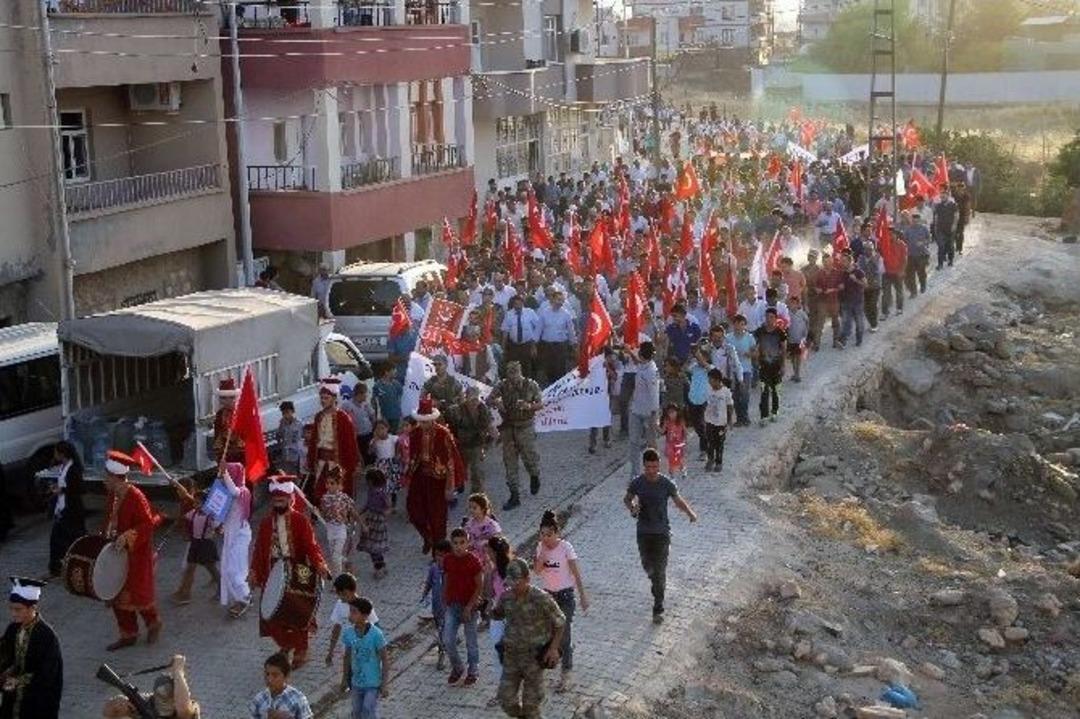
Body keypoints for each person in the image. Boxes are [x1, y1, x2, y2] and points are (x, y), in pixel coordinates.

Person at [249, 477, 331, 669]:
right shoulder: (266, 523)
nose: (278, 503)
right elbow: (259, 549)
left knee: (298, 612)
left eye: (282, 500)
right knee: (276, 614)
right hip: (273, 572)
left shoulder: (300, 520)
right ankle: (286, 644)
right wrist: (254, 571)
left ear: (289, 500)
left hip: (298, 570)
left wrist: (319, 563)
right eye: (275, 500)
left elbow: (312, 545)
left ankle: (301, 648)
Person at [624, 448, 698, 623]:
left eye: (655, 467)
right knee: (648, 567)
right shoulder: (638, 483)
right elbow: (627, 499)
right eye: (648, 467)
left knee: (660, 570)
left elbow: (677, 500)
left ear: (659, 466)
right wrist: (632, 508)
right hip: (643, 532)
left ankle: (658, 607)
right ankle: (656, 585)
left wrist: (690, 513)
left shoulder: (666, 484)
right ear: (643, 466)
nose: (652, 471)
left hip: (662, 533)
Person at [101, 450, 162, 652]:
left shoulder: (136, 497)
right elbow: (109, 520)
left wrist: (126, 537)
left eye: (106, 477)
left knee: (138, 595)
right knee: (116, 593)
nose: (104, 480)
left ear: (114, 477)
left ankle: (153, 624)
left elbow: (147, 525)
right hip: (117, 554)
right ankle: (128, 634)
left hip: (136, 555)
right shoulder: (113, 496)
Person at [492, 558, 565, 719]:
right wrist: (486, 607)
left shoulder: (541, 598)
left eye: (517, 583)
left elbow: (560, 622)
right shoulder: (506, 597)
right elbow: (498, 613)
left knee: (531, 706)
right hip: (511, 657)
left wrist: (553, 649)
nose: (513, 587)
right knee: (506, 700)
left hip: (533, 659)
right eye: (510, 583)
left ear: (527, 579)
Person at [534, 510, 588, 692]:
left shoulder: (566, 547)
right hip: (548, 596)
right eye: (542, 534)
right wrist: (542, 553)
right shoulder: (540, 547)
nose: (546, 538)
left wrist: (583, 595)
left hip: (565, 596)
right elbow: (537, 571)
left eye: (549, 535)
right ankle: (551, 660)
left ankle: (566, 675)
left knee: (563, 635)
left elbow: (576, 573)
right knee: (547, 634)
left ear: (557, 533)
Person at [405, 398, 466, 553]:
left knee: (437, 516)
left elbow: (450, 462)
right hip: (421, 475)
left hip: (438, 479)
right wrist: (408, 474)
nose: (423, 425)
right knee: (414, 511)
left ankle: (438, 550)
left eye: (426, 422)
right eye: (421, 422)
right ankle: (428, 537)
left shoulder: (443, 434)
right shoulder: (416, 433)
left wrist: (449, 487)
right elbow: (412, 455)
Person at [1, 577, 62, 719]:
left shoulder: (46, 636)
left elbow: (48, 674)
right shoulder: (13, 628)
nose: (14, 614)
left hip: (36, 702)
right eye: (11, 609)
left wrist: (18, 681)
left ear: (33, 608)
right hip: (12, 698)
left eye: (18, 609)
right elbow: (4, 654)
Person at [487, 361, 543, 511]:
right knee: (509, 462)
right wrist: (497, 403)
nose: (513, 376)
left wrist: (529, 406)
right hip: (509, 428)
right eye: (510, 373)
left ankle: (534, 476)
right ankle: (514, 495)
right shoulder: (502, 385)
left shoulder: (531, 385)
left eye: (515, 373)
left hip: (525, 427)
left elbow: (540, 403)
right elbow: (488, 399)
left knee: (530, 457)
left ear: (520, 372)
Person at [307, 378, 360, 502]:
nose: (323, 401)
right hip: (321, 462)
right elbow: (314, 440)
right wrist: (311, 460)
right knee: (319, 493)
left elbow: (350, 444)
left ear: (334, 398)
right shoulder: (318, 417)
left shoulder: (343, 418)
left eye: (326, 398)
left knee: (337, 494)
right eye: (322, 398)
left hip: (336, 463)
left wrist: (352, 464)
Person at [442, 528, 484, 686]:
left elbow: (479, 586)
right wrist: (445, 598)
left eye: (462, 543)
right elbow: (446, 577)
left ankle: (473, 670)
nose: (459, 546)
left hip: (470, 607)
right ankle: (458, 667)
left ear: (468, 543)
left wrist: (470, 607)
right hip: (452, 605)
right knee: (447, 639)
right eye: (455, 543)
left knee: (471, 641)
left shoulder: (474, 561)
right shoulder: (447, 559)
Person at [102, 654, 199, 719]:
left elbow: (183, 708)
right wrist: (121, 700)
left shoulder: (184, 713)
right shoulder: (150, 704)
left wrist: (178, 671)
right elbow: (108, 711)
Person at [339, 597, 389, 719]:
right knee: (356, 712)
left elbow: (385, 659)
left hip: (373, 683)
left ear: (365, 615)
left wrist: (384, 683)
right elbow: (347, 657)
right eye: (350, 611)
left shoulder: (376, 634)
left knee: (368, 709)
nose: (350, 615)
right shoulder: (348, 633)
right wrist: (345, 678)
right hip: (356, 682)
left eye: (354, 612)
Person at [218, 462, 254, 619]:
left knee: (235, 569)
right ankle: (239, 598)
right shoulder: (226, 492)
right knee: (227, 569)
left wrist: (224, 473)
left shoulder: (243, 491)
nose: (230, 475)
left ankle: (245, 598)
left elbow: (234, 491)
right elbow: (224, 514)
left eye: (231, 472)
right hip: (230, 535)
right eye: (229, 473)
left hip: (240, 536)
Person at [47, 441, 85, 576]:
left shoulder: (73, 468)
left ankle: (60, 567)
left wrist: (61, 490)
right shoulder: (64, 466)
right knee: (61, 540)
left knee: (65, 539)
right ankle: (60, 567)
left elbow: (78, 488)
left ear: (62, 453)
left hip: (71, 510)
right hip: (63, 508)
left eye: (56, 452)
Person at [447, 387, 495, 494]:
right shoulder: (456, 410)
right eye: (472, 399)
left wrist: (486, 447)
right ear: (466, 397)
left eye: (476, 399)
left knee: (477, 472)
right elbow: (447, 425)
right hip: (460, 445)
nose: (474, 402)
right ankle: (459, 485)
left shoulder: (483, 410)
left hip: (476, 445)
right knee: (458, 469)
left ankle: (477, 495)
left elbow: (492, 429)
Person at [627, 341, 660, 481]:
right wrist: (629, 351)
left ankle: (653, 471)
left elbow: (654, 394)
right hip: (636, 410)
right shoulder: (643, 364)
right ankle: (635, 473)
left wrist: (654, 415)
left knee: (651, 443)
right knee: (633, 441)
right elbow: (638, 363)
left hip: (649, 412)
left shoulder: (652, 371)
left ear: (642, 354)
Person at [249, 652, 313, 719]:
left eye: (275, 675)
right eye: (267, 674)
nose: (269, 679)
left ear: (286, 676)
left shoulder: (298, 699)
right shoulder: (259, 700)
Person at [320, 468, 359, 577]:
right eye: (327, 483)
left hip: (341, 529)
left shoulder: (343, 497)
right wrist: (318, 511)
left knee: (335, 557)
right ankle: (347, 562)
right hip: (330, 529)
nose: (328, 485)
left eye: (332, 483)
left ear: (338, 485)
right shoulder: (324, 499)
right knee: (334, 555)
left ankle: (338, 580)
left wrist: (361, 523)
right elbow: (323, 514)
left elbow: (352, 510)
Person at [752, 308, 788, 425]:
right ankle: (764, 416)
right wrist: (756, 360)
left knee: (775, 390)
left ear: (776, 318)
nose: (769, 319)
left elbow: (783, 349)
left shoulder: (780, 333)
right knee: (764, 390)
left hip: (776, 366)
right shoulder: (759, 331)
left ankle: (775, 411)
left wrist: (783, 365)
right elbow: (755, 347)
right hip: (763, 366)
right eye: (767, 317)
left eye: (771, 317)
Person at [420, 540, 451, 671]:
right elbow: (429, 582)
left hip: (450, 608)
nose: (440, 558)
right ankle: (448, 641)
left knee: (444, 632)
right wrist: (424, 594)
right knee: (441, 628)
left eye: (443, 555)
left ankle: (441, 656)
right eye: (437, 555)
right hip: (437, 606)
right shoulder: (434, 568)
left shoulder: (452, 570)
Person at [355, 469, 391, 578]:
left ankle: (379, 567)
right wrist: (359, 512)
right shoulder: (370, 491)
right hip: (370, 520)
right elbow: (368, 504)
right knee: (371, 546)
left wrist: (385, 513)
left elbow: (388, 506)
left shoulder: (381, 493)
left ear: (371, 481)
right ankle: (381, 565)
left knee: (374, 547)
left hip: (378, 521)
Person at [500, 294, 541, 379]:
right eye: (516, 304)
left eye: (520, 303)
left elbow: (538, 328)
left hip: (527, 345)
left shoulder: (530, 312)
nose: (518, 306)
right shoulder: (509, 314)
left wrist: (534, 346)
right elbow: (505, 332)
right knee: (514, 368)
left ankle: (527, 386)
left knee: (526, 368)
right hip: (513, 346)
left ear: (523, 303)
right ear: (513, 304)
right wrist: (503, 347)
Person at [703, 369, 735, 472]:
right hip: (709, 421)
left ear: (717, 380)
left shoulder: (726, 392)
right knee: (710, 442)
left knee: (719, 443)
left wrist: (729, 421)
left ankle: (718, 462)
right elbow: (705, 404)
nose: (709, 382)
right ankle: (710, 459)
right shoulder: (708, 390)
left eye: (711, 380)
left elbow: (730, 407)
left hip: (721, 423)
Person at [837, 249, 867, 349]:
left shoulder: (859, 272)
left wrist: (856, 280)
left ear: (850, 261)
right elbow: (839, 285)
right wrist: (840, 287)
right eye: (842, 261)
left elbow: (865, 284)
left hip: (857, 301)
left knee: (859, 321)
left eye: (844, 261)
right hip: (846, 301)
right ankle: (843, 341)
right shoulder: (842, 273)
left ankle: (859, 338)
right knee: (846, 321)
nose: (842, 262)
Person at [212, 378, 245, 465]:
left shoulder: (241, 412)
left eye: (230, 398)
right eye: (224, 398)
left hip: (240, 451)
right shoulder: (220, 414)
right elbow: (217, 432)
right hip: (225, 451)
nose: (227, 401)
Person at [344, 384, 377, 465]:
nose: (367, 395)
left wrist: (374, 429)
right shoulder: (347, 405)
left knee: (371, 455)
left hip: (368, 434)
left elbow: (373, 416)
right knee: (360, 456)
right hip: (357, 436)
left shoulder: (366, 404)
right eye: (366, 393)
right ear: (359, 394)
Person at [464, 493, 502, 564]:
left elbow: (497, 539)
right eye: (470, 507)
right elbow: (467, 539)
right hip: (474, 557)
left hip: (488, 557)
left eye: (474, 508)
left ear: (482, 509)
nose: (471, 510)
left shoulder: (491, 524)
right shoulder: (469, 524)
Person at [371, 364, 404, 434]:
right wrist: (377, 416)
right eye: (393, 370)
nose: (396, 371)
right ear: (386, 372)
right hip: (384, 418)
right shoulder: (378, 385)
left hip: (396, 417)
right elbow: (374, 402)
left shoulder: (396, 384)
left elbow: (402, 398)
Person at [275, 401, 304, 476]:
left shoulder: (299, 423)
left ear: (293, 411)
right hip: (286, 455)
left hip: (297, 455)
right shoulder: (282, 422)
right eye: (283, 413)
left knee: (297, 476)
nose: (285, 415)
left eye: (287, 412)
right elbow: (279, 434)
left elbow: (303, 438)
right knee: (287, 476)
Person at [786, 295, 810, 382]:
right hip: (791, 338)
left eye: (794, 303)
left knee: (798, 356)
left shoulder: (801, 313)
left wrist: (806, 333)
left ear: (797, 304)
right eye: (790, 303)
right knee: (792, 357)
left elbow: (807, 322)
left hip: (801, 338)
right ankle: (795, 372)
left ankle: (797, 374)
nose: (792, 305)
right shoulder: (788, 313)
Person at [933, 188, 959, 269]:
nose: (942, 196)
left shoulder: (953, 205)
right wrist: (935, 226)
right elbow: (936, 217)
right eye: (941, 195)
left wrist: (954, 225)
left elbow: (956, 216)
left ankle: (950, 260)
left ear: (948, 196)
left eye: (944, 195)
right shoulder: (938, 206)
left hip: (950, 229)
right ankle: (940, 264)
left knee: (950, 246)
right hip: (940, 229)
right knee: (941, 246)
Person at [660, 404, 687, 479]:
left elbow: (685, 431)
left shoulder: (681, 421)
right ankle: (672, 474)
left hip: (679, 443)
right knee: (671, 459)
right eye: (670, 412)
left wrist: (685, 440)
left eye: (673, 412)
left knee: (678, 459)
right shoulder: (667, 421)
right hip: (670, 443)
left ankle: (682, 469)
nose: (672, 414)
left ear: (677, 412)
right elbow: (662, 431)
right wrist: (655, 425)